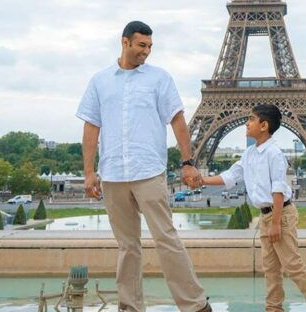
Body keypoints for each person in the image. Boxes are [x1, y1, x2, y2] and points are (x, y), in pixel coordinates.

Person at [76, 20, 211, 312]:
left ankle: (194, 305)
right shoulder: (99, 81)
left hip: (148, 170)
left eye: (150, 46)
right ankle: (130, 307)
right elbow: (91, 127)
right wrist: (89, 172)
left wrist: (188, 163)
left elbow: (177, 120)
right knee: (127, 246)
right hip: (113, 173)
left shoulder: (159, 78)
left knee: (166, 238)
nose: (146, 52)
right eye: (141, 45)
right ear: (124, 42)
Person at [197, 104, 306, 312]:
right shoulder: (249, 154)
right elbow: (230, 176)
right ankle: (273, 308)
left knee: (292, 264)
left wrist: (275, 223)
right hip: (266, 216)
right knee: (270, 269)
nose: (246, 122)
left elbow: (278, 190)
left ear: (264, 125)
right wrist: (201, 180)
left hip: (279, 215)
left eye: (251, 119)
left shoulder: (274, 153)